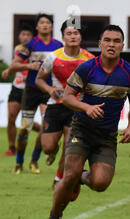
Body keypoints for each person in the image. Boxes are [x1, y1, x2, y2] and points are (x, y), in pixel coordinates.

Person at [44, 25, 130, 219]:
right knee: (69, 174)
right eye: (107, 40)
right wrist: (86, 107)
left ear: (123, 45)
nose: (111, 44)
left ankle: (80, 176)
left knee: (100, 184)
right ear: (100, 44)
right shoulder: (86, 68)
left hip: (106, 136)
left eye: (116, 41)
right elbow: (68, 97)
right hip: (81, 129)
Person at [35, 21, 94, 188]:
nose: (73, 37)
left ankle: (58, 178)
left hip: (76, 108)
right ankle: (51, 152)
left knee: (69, 145)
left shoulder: (89, 59)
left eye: (76, 33)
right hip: (55, 106)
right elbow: (38, 79)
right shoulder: (53, 57)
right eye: (69, 33)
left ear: (81, 37)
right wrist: (49, 89)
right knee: (47, 147)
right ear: (62, 37)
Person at [9, 13, 63, 174]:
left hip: (49, 91)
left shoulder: (59, 45)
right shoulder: (30, 44)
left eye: (48, 22)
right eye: (42, 22)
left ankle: (34, 161)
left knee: (45, 128)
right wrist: (28, 67)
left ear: (51, 26)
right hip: (31, 90)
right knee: (25, 128)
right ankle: (19, 162)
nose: (45, 25)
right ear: (37, 27)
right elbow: (14, 64)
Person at [1, 25, 35, 157]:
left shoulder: (35, 49)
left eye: (28, 35)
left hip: (31, 89)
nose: (25, 37)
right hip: (17, 88)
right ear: (19, 36)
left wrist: (30, 75)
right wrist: (8, 70)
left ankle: (43, 131)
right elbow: (16, 64)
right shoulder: (18, 49)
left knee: (27, 122)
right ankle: (11, 148)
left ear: (32, 37)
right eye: (23, 34)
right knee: (11, 118)